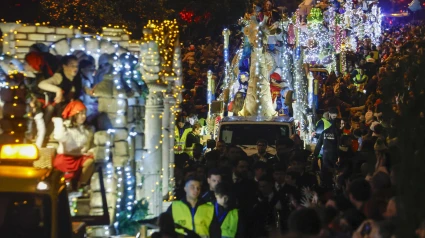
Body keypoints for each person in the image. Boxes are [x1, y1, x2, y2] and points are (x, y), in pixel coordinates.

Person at [52, 100, 94, 190]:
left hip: (79, 158)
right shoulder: (65, 127)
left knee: (91, 161)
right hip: (66, 158)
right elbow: (61, 137)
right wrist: (58, 122)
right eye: (81, 113)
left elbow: (88, 146)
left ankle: (80, 184)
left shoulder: (87, 130)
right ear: (74, 114)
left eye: (85, 114)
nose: (84, 116)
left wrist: (88, 151)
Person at [38, 55, 83, 141]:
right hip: (60, 107)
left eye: (76, 66)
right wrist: (58, 90)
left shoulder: (77, 78)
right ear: (64, 66)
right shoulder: (59, 76)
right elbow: (42, 84)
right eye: (72, 65)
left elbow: (82, 88)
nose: (75, 68)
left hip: (71, 106)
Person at [313, 107, 340, 188]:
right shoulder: (337, 132)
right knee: (334, 175)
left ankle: (325, 188)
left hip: (325, 156)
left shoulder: (325, 132)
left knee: (325, 175)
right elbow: (339, 145)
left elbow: (318, 145)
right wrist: (340, 156)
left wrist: (315, 156)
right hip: (334, 156)